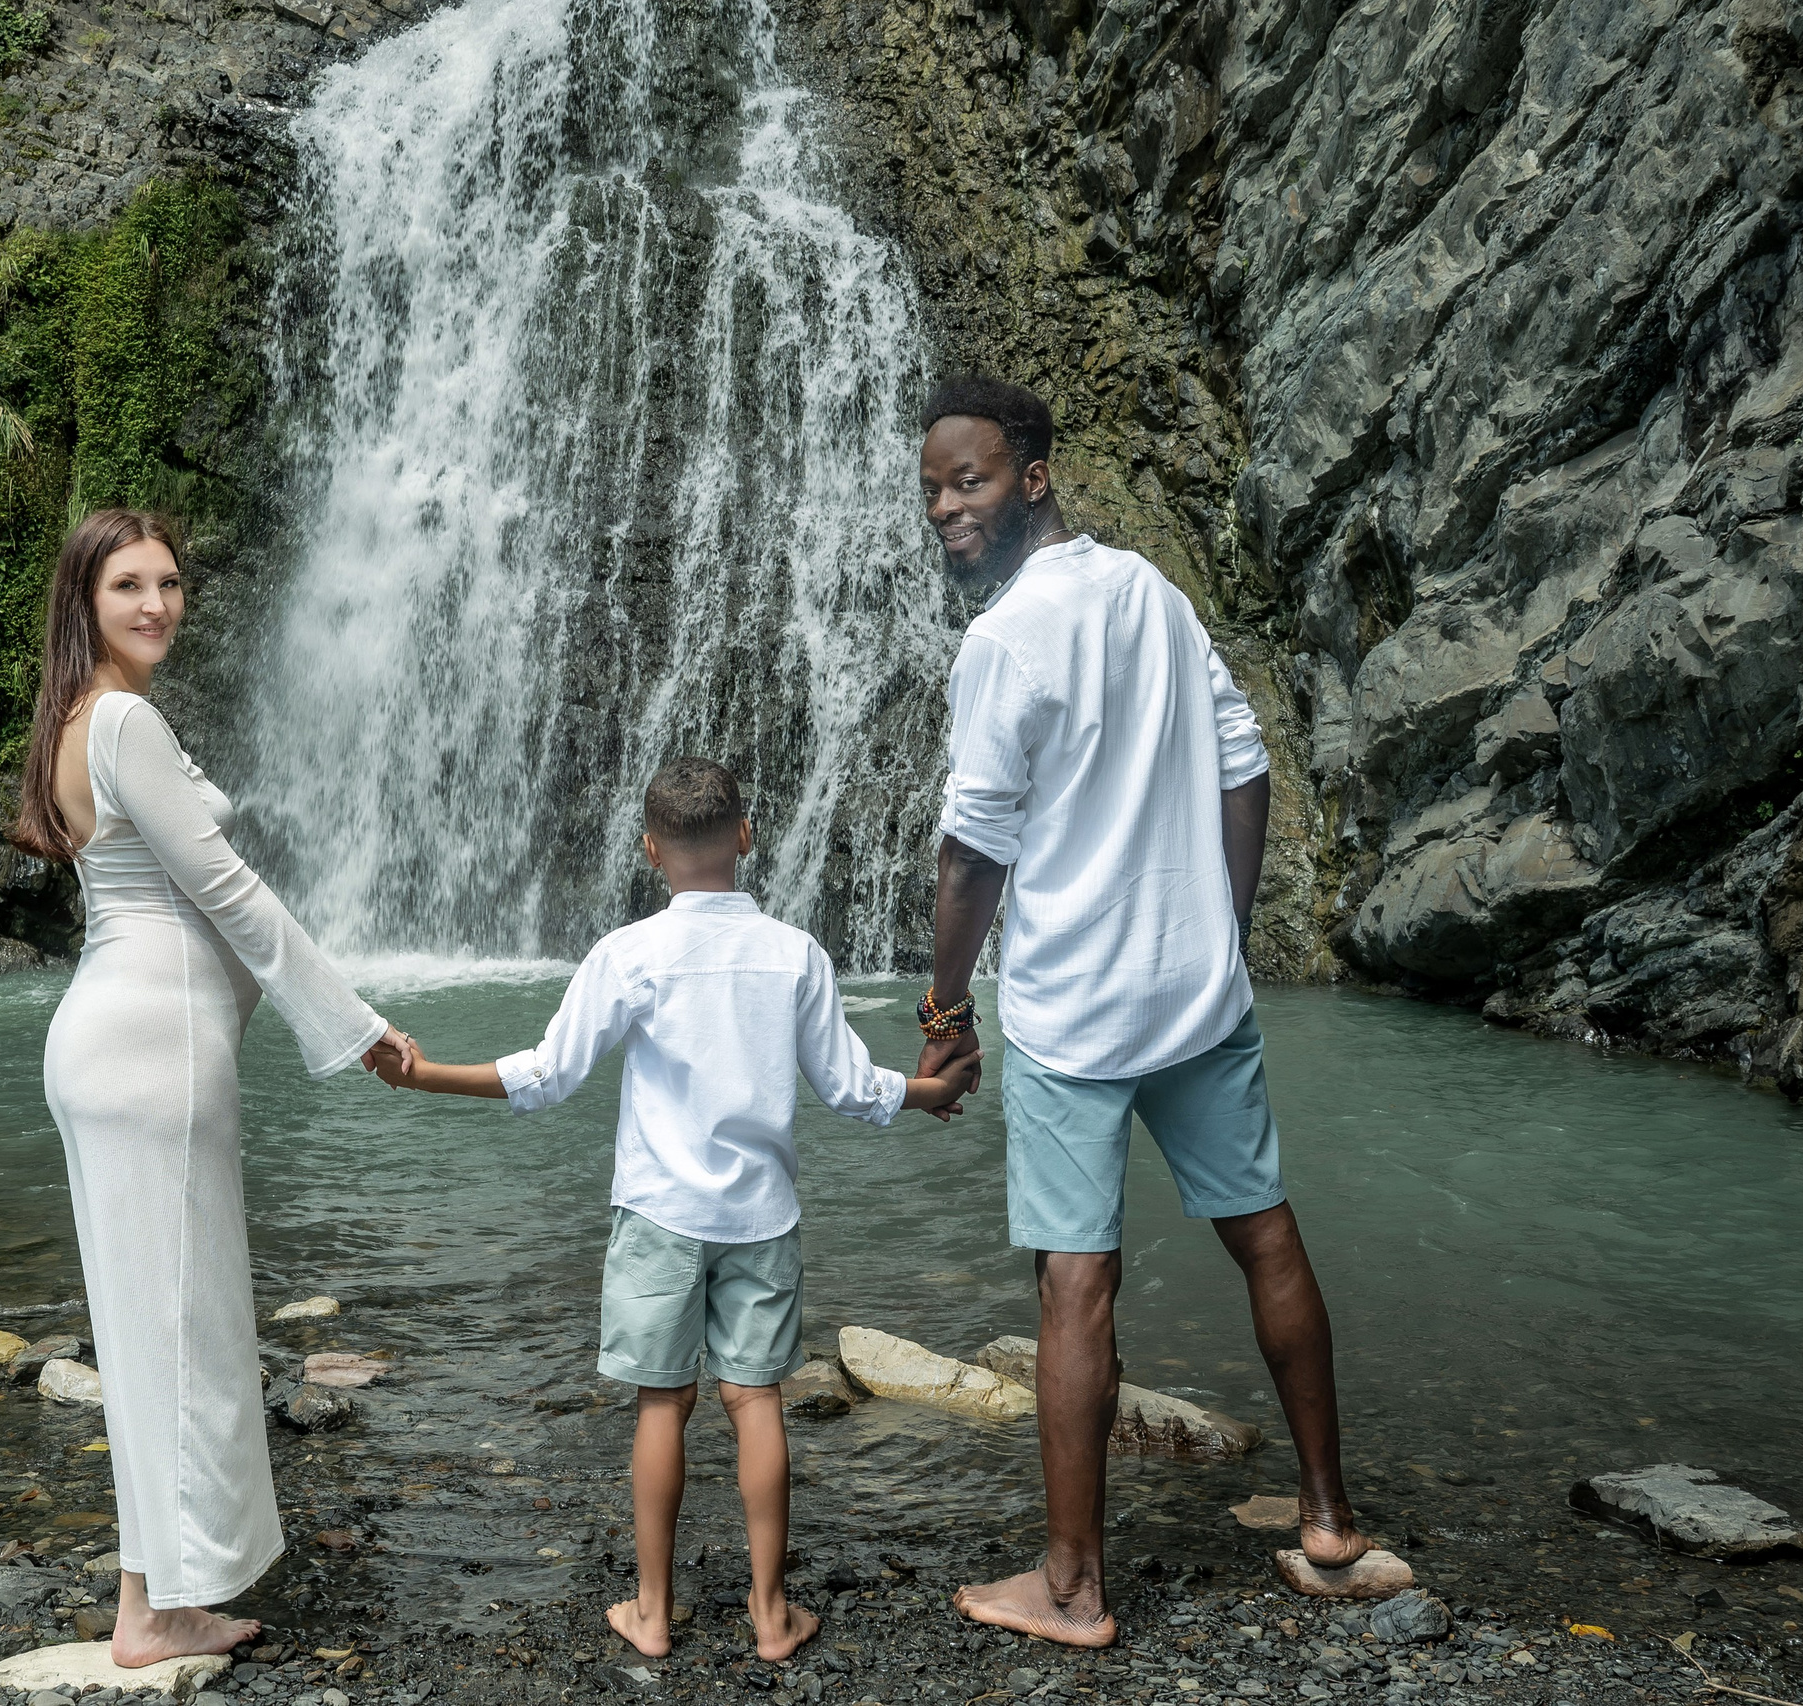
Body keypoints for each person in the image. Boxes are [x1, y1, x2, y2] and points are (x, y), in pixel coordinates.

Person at [908, 378, 1370, 1646]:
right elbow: (1243, 757)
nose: (949, 504)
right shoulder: (1154, 595)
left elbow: (969, 855)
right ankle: (1328, 1519)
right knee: (1264, 1236)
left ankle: (1069, 1586)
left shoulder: (1005, 638)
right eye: (936, 486)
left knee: (1074, 1284)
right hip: (1196, 990)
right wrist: (1217, 926)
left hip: (1073, 1010)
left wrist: (944, 1008)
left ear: (1035, 477)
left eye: (973, 479)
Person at [369, 756, 982, 1665]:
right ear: (745, 835)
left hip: (659, 1214)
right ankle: (771, 1616)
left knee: (664, 1403)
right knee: (756, 1399)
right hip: (761, 1219)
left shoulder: (628, 955)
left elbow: (548, 1075)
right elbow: (853, 1090)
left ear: (650, 847)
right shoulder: (795, 954)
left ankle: (652, 1613)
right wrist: (933, 1092)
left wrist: (425, 1077)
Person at [11, 509, 412, 1665]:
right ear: (85, 599)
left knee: (150, 1335)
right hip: (154, 1050)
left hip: (110, 1038)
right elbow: (228, 889)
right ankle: (157, 1606)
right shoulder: (125, 717)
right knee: (180, 1332)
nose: (157, 604)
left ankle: (153, 1599)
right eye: (129, 584)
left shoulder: (76, 717)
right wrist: (351, 1023)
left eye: (171, 582)